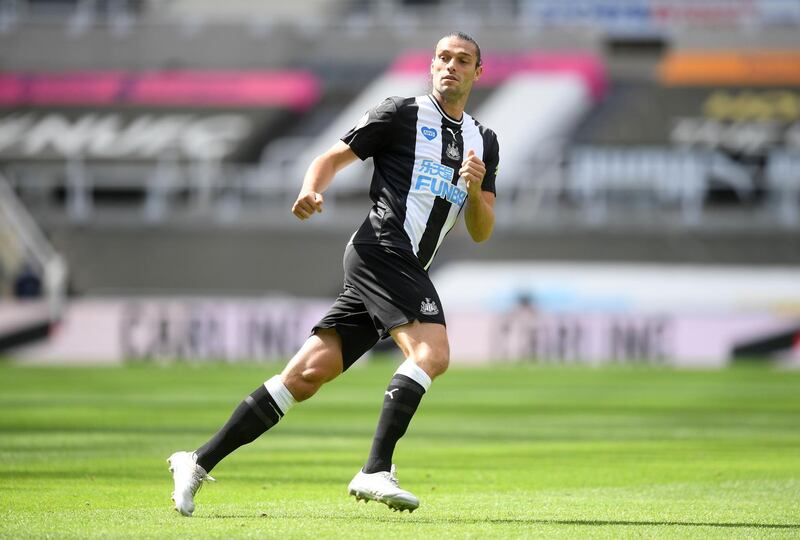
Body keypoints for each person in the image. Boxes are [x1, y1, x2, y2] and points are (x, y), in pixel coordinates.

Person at [168, 31, 499, 517]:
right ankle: (375, 469)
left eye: (462, 60)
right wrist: (310, 188)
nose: (451, 66)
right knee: (432, 351)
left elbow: (482, 229)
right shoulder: (400, 113)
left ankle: (195, 461)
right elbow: (331, 157)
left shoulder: (483, 141)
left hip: (401, 265)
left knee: (303, 377)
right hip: (381, 249)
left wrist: (472, 190)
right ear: (432, 65)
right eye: (444, 58)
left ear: (478, 72)